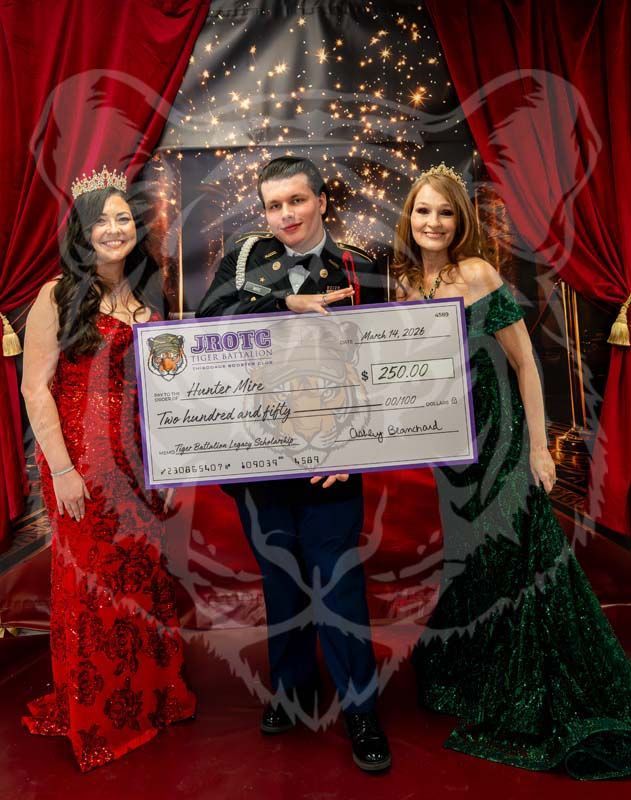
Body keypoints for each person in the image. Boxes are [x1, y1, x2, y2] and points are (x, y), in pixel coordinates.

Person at [394, 163, 631, 779]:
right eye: (423, 211)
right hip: (452, 449)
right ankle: (486, 676)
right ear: (409, 217)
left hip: (499, 438)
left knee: (518, 555)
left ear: (460, 220)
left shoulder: (477, 274)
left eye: (444, 212)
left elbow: (526, 365)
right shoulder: (404, 285)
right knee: (475, 559)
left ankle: (531, 685)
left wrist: (538, 449)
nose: (433, 223)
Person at [197, 156, 390, 772]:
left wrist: (354, 447)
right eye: (275, 205)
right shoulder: (244, 260)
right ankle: (293, 686)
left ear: (322, 201)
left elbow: (384, 365)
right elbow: (209, 327)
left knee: (337, 580)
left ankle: (360, 707)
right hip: (259, 453)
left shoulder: (364, 265)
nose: (286, 215)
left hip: (335, 454)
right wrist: (284, 305)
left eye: (297, 201)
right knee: (280, 579)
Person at [21, 167, 196, 771]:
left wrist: (172, 461)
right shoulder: (57, 294)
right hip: (80, 464)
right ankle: (100, 712)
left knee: (140, 577)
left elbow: (170, 390)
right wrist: (63, 471)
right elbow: (35, 390)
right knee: (91, 585)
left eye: (124, 218)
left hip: (138, 462)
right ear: (81, 230)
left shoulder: (152, 293)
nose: (114, 229)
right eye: (102, 219)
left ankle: (147, 696)